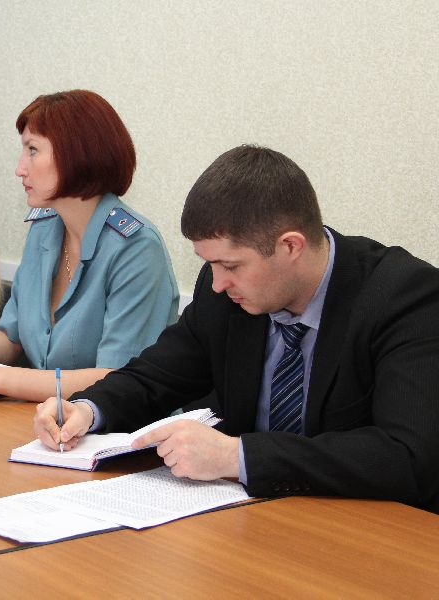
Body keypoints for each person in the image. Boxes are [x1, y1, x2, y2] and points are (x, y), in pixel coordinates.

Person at [35, 145, 439, 513]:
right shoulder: (226, 295)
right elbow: (156, 375)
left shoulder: (405, 299)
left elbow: (408, 456)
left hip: (366, 529)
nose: (216, 283)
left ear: (290, 246)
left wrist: (238, 457)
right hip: (248, 518)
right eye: (209, 264)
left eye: (230, 265)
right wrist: (87, 409)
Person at [0, 90, 179, 402]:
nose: (20, 168)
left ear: (76, 153)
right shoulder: (44, 229)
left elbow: (117, 379)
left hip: (120, 425)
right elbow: (12, 336)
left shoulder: (136, 248)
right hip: (45, 418)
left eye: (32, 150)